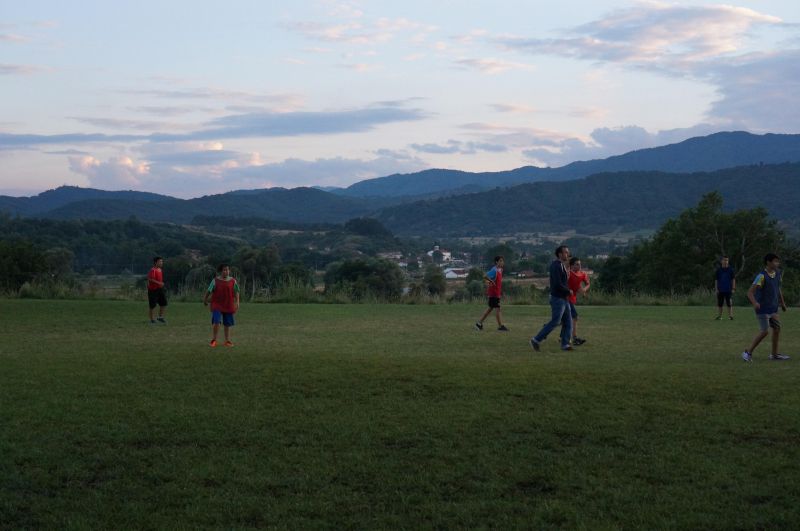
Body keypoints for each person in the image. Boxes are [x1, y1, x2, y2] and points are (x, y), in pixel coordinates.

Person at [741, 253, 789, 362]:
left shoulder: (777, 273)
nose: (777, 263)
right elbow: (749, 293)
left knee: (777, 329)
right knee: (765, 331)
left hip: (773, 308)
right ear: (768, 262)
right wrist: (755, 303)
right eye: (775, 261)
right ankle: (747, 353)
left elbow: (778, 289)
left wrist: (782, 303)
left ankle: (774, 355)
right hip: (762, 308)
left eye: (778, 261)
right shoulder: (761, 276)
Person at [531, 245, 573, 352]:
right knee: (556, 321)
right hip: (558, 299)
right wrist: (568, 291)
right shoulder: (556, 266)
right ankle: (536, 340)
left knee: (568, 322)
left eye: (568, 253)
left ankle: (565, 344)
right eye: (566, 253)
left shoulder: (561, 265)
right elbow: (558, 284)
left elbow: (562, 282)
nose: (567, 254)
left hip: (564, 298)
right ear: (560, 254)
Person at [203, 263, 240, 347]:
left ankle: (227, 341)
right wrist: (205, 299)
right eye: (224, 270)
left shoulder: (233, 281)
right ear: (221, 271)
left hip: (228, 304)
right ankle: (214, 340)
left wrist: (237, 302)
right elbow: (209, 291)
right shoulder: (215, 280)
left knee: (227, 324)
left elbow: (237, 291)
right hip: (217, 304)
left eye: (227, 270)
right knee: (217, 322)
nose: (226, 271)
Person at [474, 256, 509, 331]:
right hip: (494, 293)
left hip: (496, 292)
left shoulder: (500, 270)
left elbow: (498, 282)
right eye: (500, 261)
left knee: (490, 309)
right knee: (498, 309)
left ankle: (479, 324)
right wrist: (491, 281)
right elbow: (485, 276)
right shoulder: (494, 270)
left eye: (502, 261)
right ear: (496, 262)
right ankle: (500, 326)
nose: (502, 262)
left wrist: (501, 292)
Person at [568, 256, 591, 345]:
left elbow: (588, 284)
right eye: (577, 264)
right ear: (572, 266)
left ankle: (548, 328)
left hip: (572, 298)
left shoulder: (582, 274)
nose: (579, 266)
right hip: (565, 298)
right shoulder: (568, 273)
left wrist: (584, 290)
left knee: (562, 321)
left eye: (580, 264)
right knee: (575, 317)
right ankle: (574, 338)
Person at [714, 256, 736, 320]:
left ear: (728, 261)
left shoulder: (731, 270)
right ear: (721, 261)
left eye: (727, 260)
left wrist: (733, 288)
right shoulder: (718, 270)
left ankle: (730, 316)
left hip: (728, 289)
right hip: (720, 290)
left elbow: (733, 279)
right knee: (720, 304)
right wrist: (716, 289)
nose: (725, 261)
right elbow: (716, 280)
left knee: (729, 303)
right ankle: (720, 316)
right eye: (724, 260)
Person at [147, 256, 167, 324]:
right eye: (160, 261)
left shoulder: (160, 270)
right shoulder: (153, 270)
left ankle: (160, 317)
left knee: (163, 303)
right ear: (156, 262)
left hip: (160, 289)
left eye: (162, 261)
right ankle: (152, 320)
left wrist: (161, 284)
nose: (162, 263)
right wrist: (159, 283)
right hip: (153, 290)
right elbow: (150, 279)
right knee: (152, 305)